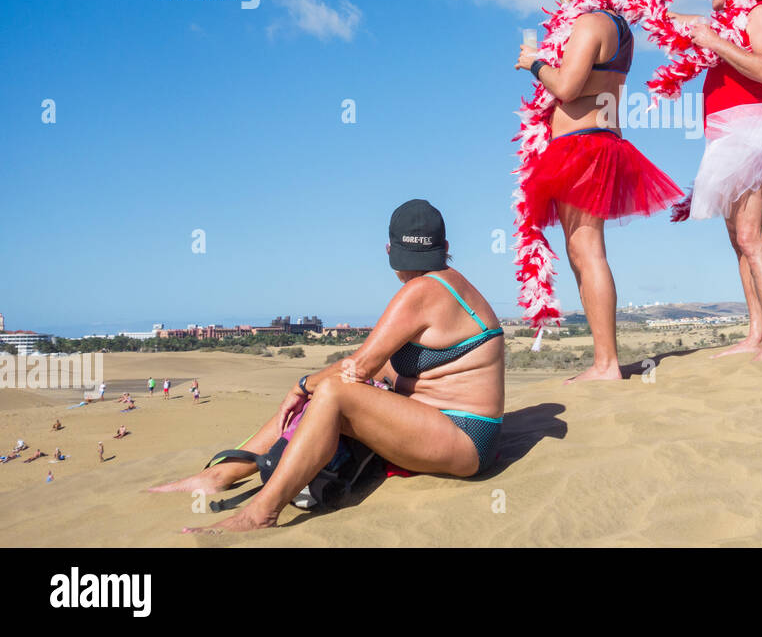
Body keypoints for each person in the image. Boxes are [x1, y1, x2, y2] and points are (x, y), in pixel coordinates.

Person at [151, 200, 506, 534]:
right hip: (450, 429)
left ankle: (261, 512)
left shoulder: (423, 291)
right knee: (333, 384)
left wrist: (303, 386)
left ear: (389, 252)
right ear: (444, 245)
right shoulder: (449, 283)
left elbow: (360, 368)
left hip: (464, 439)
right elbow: (375, 367)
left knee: (333, 391)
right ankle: (223, 474)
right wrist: (315, 384)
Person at [513, 0, 682, 381]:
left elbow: (567, 86)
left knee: (588, 250)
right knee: (580, 251)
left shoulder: (590, 24)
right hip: (597, 142)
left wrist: (534, 62)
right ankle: (601, 359)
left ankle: (607, 363)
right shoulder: (614, 24)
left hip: (581, 148)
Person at [651, 0, 762, 361]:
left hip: (749, 132)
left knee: (752, 237)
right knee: (737, 239)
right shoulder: (729, 19)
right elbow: (681, 21)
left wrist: (715, 43)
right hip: (725, 136)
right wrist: (637, 8)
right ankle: (755, 332)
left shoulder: (761, 14)